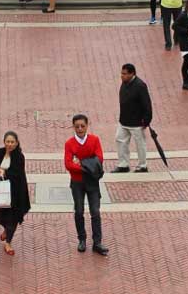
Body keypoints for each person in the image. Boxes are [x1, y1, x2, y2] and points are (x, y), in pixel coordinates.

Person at [0, 130, 31, 254]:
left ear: (17, 143)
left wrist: (6, 173)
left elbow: (17, 174)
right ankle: (5, 230)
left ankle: (8, 242)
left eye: (12, 142)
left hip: (14, 194)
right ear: (4, 142)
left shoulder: (19, 156)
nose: (10, 144)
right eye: (7, 141)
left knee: (13, 219)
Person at [64, 114, 108, 256]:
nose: (80, 129)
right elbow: (68, 164)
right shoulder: (69, 143)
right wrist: (89, 164)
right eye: (77, 126)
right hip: (77, 183)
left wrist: (80, 163)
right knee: (79, 211)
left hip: (92, 182)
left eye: (83, 126)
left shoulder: (95, 140)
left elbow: (100, 159)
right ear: (73, 127)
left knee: (95, 212)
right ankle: (81, 239)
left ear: (87, 125)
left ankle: (97, 242)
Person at [114, 63, 152, 172]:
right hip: (124, 121)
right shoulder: (125, 83)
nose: (122, 76)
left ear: (132, 74)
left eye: (124, 74)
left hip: (137, 123)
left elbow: (147, 104)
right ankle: (123, 164)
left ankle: (142, 165)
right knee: (120, 140)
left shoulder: (140, 86)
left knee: (140, 144)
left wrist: (146, 120)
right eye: (122, 73)